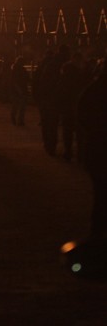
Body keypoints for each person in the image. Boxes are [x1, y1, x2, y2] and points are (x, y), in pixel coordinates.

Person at [77, 52, 107, 240]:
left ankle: (96, 235)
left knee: (100, 195)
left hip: (97, 150)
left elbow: (82, 116)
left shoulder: (92, 90)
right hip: (99, 148)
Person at [33, 45, 69, 156]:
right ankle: (62, 147)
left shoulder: (47, 65)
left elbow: (38, 82)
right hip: (60, 99)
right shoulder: (65, 64)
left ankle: (49, 145)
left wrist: (38, 97)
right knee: (64, 124)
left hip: (47, 98)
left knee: (48, 123)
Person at [58, 50, 88, 161]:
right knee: (79, 132)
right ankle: (80, 154)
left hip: (67, 106)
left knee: (67, 131)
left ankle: (68, 152)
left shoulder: (64, 74)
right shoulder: (80, 74)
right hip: (77, 106)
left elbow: (61, 90)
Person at [9, 55, 29, 126]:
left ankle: (16, 119)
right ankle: (19, 120)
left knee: (17, 105)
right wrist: (19, 89)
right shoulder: (19, 69)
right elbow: (15, 81)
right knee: (20, 106)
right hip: (20, 89)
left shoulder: (15, 69)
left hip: (18, 90)